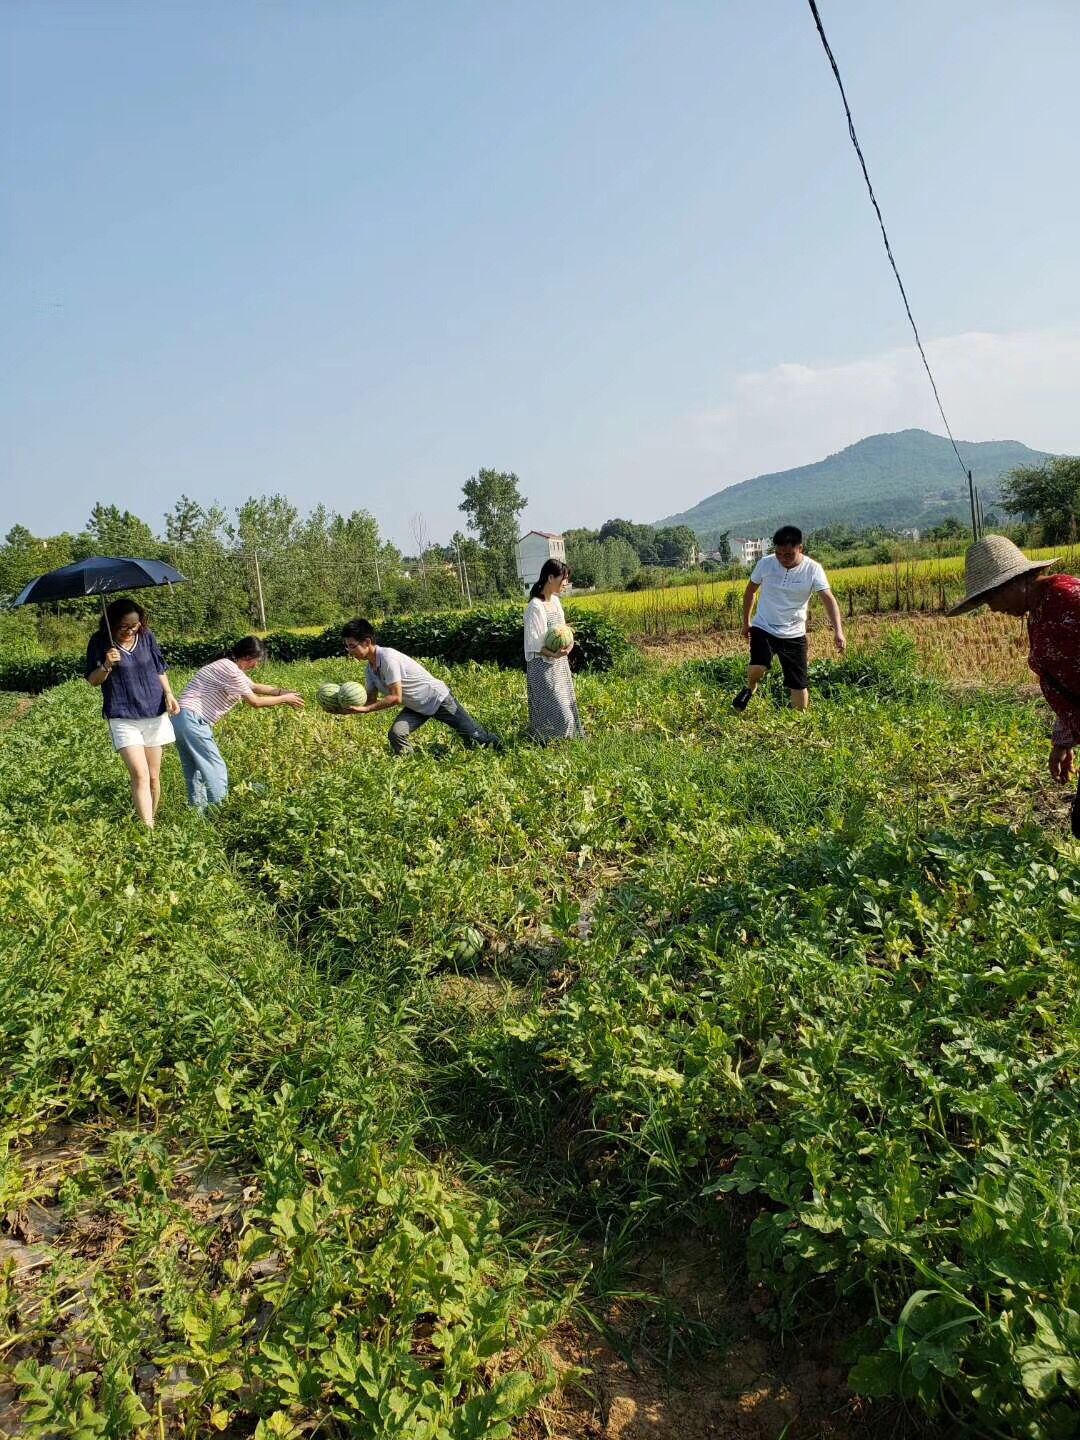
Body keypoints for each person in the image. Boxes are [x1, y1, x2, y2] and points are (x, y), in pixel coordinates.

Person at [949, 534, 1080, 838]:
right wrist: (1063, 738)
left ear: (1013, 582)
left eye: (991, 598)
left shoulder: (1069, 601)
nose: (992, 609)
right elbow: (1066, 681)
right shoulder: (1041, 609)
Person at [172, 637, 304, 809]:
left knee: (194, 769)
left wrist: (282, 691)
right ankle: (220, 810)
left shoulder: (226, 665)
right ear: (248, 657)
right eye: (256, 661)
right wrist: (284, 699)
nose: (255, 666)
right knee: (215, 767)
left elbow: (254, 686)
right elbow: (255, 701)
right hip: (193, 720)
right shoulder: (230, 669)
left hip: (179, 719)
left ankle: (198, 813)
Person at [339, 618, 503, 756]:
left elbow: (396, 698)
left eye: (352, 646)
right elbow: (370, 700)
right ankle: (409, 764)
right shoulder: (369, 669)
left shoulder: (388, 658)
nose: (349, 651)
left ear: (367, 642)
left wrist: (366, 710)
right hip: (416, 706)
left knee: (476, 737)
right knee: (397, 734)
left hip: (438, 699)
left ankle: (503, 748)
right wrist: (343, 708)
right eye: (347, 646)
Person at [85, 597, 180, 827]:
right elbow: (93, 680)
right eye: (124, 627)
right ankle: (147, 830)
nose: (130, 630)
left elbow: (159, 668)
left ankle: (151, 820)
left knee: (154, 777)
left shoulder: (146, 637)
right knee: (140, 774)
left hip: (154, 712)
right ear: (112, 624)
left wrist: (168, 693)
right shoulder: (99, 642)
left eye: (134, 625)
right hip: (122, 715)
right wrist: (106, 664)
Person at [732, 525, 846, 712]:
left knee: (798, 684)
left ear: (800, 548)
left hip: (794, 632)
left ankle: (798, 725)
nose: (782, 559)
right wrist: (746, 623)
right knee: (757, 669)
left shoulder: (813, 569)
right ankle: (751, 687)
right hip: (764, 626)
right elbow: (750, 591)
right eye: (778, 554)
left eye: (788, 555)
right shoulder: (765, 564)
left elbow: (828, 599)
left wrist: (838, 631)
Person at [525, 559, 585, 743]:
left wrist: (570, 642)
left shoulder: (556, 602)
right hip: (541, 666)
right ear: (550, 578)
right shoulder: (535, 606)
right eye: (563, 579)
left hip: (558, 664)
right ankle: (548, 741)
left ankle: (561, 744)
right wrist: (554, 654)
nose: (565, 584)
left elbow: (562, 629)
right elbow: (534, 644)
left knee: (565, 704)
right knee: (557, 711)